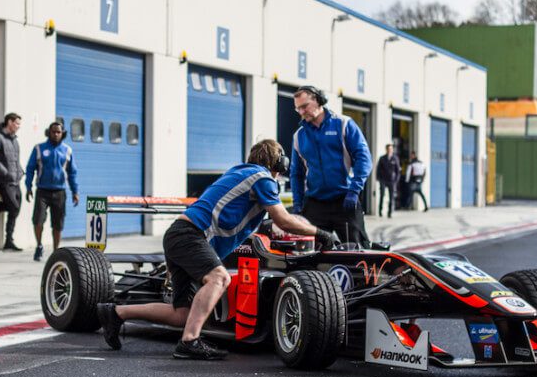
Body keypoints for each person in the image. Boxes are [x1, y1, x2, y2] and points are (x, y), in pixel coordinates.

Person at [95, 139, 337, 361]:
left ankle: (115, 312)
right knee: (219, 279)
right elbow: (282, 220)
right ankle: (189, 342)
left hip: (179, 235)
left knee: (182, 314)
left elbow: (247, 219)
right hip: (191, 235)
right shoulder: (262, 177)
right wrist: (320, 233)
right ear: (278, 162)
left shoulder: (240, 173)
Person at [289, 85, 372, 247]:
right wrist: (298, 203)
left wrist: (355, 190)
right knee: (310, 255)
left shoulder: (343, 124)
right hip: (315, 204)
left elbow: (364, 158)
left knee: (358, 253)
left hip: (345, 201)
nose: (301, 112)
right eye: (298, 109)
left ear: (319, 100)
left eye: (304, 106)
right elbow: (296, 173)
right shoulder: (299, 136)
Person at [25, 121, 78, 261]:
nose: (55, 134)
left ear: (62, 133)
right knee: (38, 220)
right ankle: (39, 246)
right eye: (53, 131)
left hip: (60, 192)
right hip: (42, 191)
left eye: (58, 132)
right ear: (49, 132)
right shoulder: (39, 149)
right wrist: (28, 186)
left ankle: (56, 252)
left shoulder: (67, 150)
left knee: (58, 224)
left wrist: (75, 191)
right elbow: (30, 168)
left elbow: (72, 173)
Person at [0, 113, 24, 251]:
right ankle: (8, 240)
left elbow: (16, 160)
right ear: (9, 122)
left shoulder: (14, 140)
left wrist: (20, 171)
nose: (18, 127)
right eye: (17, 123)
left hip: (15, 180)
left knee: (16, 209)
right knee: (14, 207)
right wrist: (5, 172)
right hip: (4, 180)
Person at [375, 143, 400, 218]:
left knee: (391, 197)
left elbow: (397, 171)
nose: (390, 150)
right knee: (382, 195)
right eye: (388, 149)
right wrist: (379, 178)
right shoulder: (382, 158)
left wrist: (396, 180)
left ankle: (389, 212)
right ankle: (380, 211)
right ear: (386, 149)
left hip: (391, 181)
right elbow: (378, 169)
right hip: (383, 180)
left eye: (391, 149)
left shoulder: (395, 158)